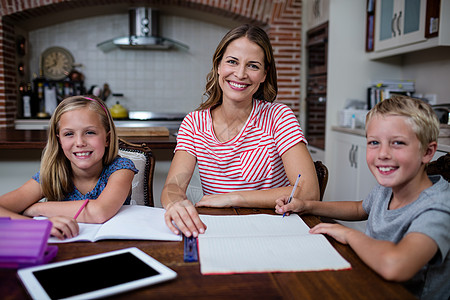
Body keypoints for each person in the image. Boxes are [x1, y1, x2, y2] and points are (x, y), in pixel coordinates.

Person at [276, 96, 449, 299]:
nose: (383, 154)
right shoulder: (388, 188)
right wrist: (306, 206)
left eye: (398, 143)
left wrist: (349, 235)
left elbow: (395, 265)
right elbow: (360, 209)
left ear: (427, 152)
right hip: (371, 283)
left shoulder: (438, 208)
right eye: (374, 142)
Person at [161, 24, 319, 238]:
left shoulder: (279, 117)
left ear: (264, 74)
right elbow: (173, 185)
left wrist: (233, 197)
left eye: (253, 66)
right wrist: (175, 204)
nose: (240, 73)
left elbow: (309, 191)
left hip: (277, 229)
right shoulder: (194, 123)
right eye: (232, 62)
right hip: (218, 230)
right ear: (218, 66)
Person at [0, 96, 137, 239]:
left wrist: (37, 208)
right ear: (59, 141)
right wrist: (36, 225)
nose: (79, 142)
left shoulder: (121, 169)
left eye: (90, 132)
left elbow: (99, 212)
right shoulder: (52, 175)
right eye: (69, 134)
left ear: (107, 139)